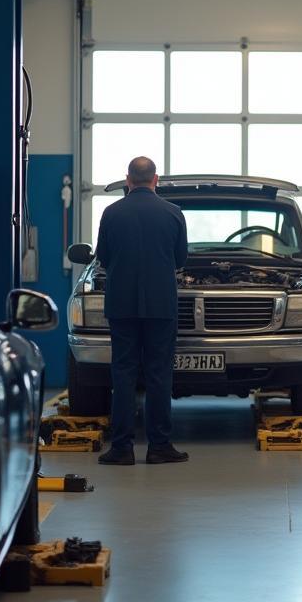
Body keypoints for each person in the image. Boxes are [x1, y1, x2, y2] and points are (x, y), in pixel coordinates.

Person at [96, 156, 189, 465]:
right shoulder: (174, 213)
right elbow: (180, 259)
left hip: (121, 305)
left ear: (128, 180)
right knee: (159, 375)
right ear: (156, 179)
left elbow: (104, 257)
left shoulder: (111, 213)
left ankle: (122, 448)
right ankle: (159, 446)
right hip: (161, 305)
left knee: (123, 374)